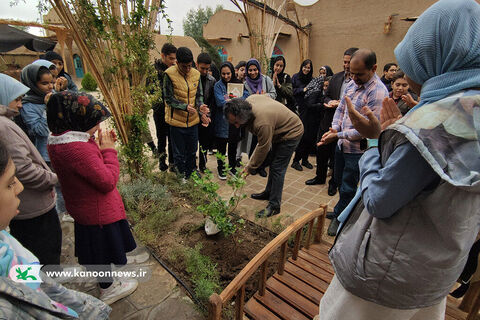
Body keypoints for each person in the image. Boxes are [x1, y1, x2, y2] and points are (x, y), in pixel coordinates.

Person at [320, 1, 480, 319]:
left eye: (416, 65)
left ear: (441, 59)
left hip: (387, 277)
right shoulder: (470, 111)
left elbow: (380, 199)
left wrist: (375, 142)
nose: (407, 76)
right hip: (434, 269)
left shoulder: (435, 125)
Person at [0, 139, 112, 319]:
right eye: (9, 183)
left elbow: (43, 287)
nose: (20, 187)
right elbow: (107, 180)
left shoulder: (7, 247)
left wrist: (86, 309)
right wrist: (109, 153)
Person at [46, 91, 139, 305]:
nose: (98, 127)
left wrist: (96, 145)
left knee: (97, 252)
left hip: (85, 212)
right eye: (94, 122)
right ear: (77, 120)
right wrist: (108, 151)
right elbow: (107, 181)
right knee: (104, 251)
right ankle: (109, 289)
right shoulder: (77, 149)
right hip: (99, 215)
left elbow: (85, 169)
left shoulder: (58, 141)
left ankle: (105, 283)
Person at [318, 49, 388, 236]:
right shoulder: (351, 84)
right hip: (342, 145)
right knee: (340, 181)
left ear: (373, 68)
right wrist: (334, 128)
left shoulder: (378, 92)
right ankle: (340, 210)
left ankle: (341, 219)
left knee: (349, 186)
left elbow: (366, 130)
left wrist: (338, 135)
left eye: (359, 74)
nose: (354, 78)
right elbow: (341, 108)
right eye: (352, 73)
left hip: (358, 150)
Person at [0, 73, 62, 266]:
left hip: (28, 208)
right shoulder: (4, 128)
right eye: (17, 99)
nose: (20, 105)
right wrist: (54, 179)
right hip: (34, 209)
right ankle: (46, 293)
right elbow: (24, 170)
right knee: (44, 260)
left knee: (32, 261)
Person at [226, 95, 303, 217]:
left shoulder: (262, 123)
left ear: (244, 116)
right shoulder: (248, 103)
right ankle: (268, 192)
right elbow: (262, 143)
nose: (236, 126)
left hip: (292, 131)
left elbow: (263, 147)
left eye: (236, 122)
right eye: (232, 123)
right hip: (278, 129)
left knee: (278, 168)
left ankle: (274, 205)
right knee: (273, 163)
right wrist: (249, 165)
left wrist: (250, 168)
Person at [163, 47, 210, 179]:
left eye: (190, 66)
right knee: (179, 153)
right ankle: (181, 175)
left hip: (193, 121)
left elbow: (199, 95)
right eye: (184, 66)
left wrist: (201, 107)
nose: (188, 69)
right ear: (177, 63)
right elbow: (168, 99)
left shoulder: (196, 74)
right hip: (177, 122)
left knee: (192, 150)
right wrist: (184, 107)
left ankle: (192, 172)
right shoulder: (169, 74)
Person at [319, 47, 358, 196]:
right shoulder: (336, 77)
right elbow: (326, 96)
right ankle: (320, 177)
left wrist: (340, 103)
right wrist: (330, 101)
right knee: (323, 151)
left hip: (348, 131)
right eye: (344, 62)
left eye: (349, 62)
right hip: (330, 121)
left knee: (337, 160)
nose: (346, 65)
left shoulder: (360, 84)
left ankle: (333, 184)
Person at [214, 61, 249, 179]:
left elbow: (246, 96)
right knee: (221, 148)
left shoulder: (238, 83)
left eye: (228, 73)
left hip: (235, 122)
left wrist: (231, 101)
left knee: (233, 146)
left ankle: (232, 167)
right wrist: (235, 101)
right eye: (223, 74)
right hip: (222, 121)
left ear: (232, 72)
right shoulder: (218, 85)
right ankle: (221, 168)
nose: (226, 76)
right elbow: (220, 102)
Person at [20, 64, 54, 164]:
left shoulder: (52, 95)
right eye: (44, 83)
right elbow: (42, 131)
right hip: (46, 155)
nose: (50, 86)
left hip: (62, 149)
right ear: (32, 84)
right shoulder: (27, 106)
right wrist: (48, 108)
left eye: (52, 82)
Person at [152, 43, 177, 171]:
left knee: (172, 138)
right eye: (171, 58)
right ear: (163, 56)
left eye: (175, 59)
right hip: (159, 111)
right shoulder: (154, 71)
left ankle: (172, 163)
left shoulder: (175, 70)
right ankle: (162, 162)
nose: (174, 62)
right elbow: (151, 91)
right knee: (161, 138)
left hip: (173, 111)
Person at [291, 59, 314, 171]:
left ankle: (305, 160)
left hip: (310, 111)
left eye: (308, 68)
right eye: (304, 67)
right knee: (302, 135)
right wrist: (303, 89)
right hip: (299, 110)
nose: (306, 69)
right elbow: (292, 91)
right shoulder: (295, 77)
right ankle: (295, 161)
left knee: (309, 136)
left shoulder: (313, 80)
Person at [196, 53, 216, 173]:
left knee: (204, 143)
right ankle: (192, 167)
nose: (204, 71)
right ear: (197, 64)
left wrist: (207, 116)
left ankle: (203, 166)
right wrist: (199, 113)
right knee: (193, 144)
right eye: (202, 68)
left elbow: (212, 101)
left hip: (206, 117)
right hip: (193, 115)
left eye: (207, 69)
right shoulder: (191, 77)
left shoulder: (212, 80)